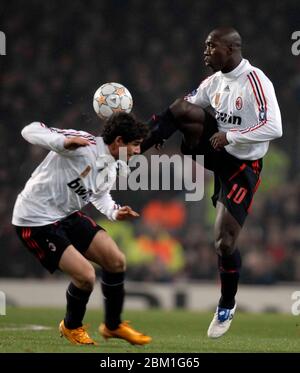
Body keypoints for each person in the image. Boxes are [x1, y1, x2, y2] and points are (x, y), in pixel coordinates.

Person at [141, 27, 282, 338]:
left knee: (224, 243)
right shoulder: (214, 82)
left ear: (231, 48)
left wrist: (231, 135)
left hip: (242, 166)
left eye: (210, 46)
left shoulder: (256, 81)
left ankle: (227, 304)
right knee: (180, 109)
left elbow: (274, 126)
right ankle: (134, 147)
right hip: (216, 150)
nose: (205, 52)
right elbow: (183, 107)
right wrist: (158, 132)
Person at [12, 112, 152, 346]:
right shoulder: (82, 144)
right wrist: (62, 142)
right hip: (35, 220)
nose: (138, 151)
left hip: (66, 215)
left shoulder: (112, 165)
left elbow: (100, 195)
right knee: (86, 276)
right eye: (135, 145)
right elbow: (29, 129)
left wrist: (114, 212)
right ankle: (71, 326)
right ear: (119, 141)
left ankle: (113, 325)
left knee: (116, 260)